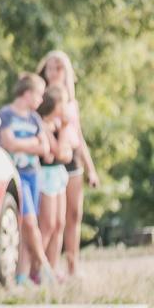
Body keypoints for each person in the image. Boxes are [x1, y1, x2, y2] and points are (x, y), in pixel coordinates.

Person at [37, 50, 100, 278]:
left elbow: (79, 136)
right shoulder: (42, 98)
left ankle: (73, 267)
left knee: (74, 215)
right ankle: (48, 269)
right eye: (50, 68)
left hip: (73, 162)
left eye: (59, 68)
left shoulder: (72, 103)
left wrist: (91, 170)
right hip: (53, 162)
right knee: (53, 221)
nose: (54, 72)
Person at [0, 73, 55, 286]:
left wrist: (24, 143)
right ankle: (45, 267)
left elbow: (45, 149)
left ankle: (22, 276)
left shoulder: (34, 119)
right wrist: (33, 143)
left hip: (33, 174)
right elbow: (8, 143)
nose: (41, 101)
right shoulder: (7, 114)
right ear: (28, 93)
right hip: (16, 174)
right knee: (30, 222)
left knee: (28, 226)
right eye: (39, 95)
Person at [36, 84, 73, 281]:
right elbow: (59, 150)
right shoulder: (42, 124)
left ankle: (52, 267)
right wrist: (66, 130)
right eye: (64, 102)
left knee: (59, 223)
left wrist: (64, 132)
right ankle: (37, 267)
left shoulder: (58, 126)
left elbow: (66, 154)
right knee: (47, 224)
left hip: (59, 174)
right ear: (56, 104)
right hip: (46, 176)